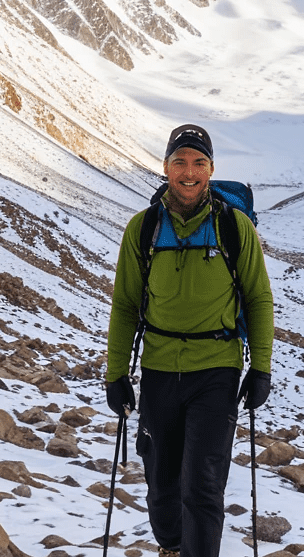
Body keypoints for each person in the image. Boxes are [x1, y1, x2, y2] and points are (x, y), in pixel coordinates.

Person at [105, 124, 274, 557]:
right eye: (180, 161)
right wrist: (116, 374)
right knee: (161, 487)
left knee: (202, 484)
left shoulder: (234, 228)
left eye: (199, 162)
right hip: (159, 369)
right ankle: (171, 547)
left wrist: (260, 370)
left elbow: (257, 298)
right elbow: (125, 304)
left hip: (217, 370)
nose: (189, 171)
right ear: (165, 168)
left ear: (212, 170)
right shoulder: (142, 230)